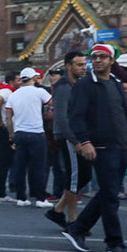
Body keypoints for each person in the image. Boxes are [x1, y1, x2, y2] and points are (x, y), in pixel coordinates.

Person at [60, 44, 127, 252]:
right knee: (110, 195)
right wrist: (84, 141)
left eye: (102, 57)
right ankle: (114, 243)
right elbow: (76, 116)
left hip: (119, 146)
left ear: (111, 61)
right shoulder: (85, 85)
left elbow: (121, 114)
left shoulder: (117, 84)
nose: (97, 60)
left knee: (108, 192)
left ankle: (77, 228)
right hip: (99, 146)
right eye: (94, 57)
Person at [45, 51, 89, 228]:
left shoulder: (76, 84)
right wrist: (75, 141)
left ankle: (59, 212)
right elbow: (62, 118)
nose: (83, 68)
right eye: (79, 65)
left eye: (84, 64)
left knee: (81, 177)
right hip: (69, 138)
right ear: (68, 66)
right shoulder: (64, 87)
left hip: (78, 136)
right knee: (76, 177)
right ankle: (70, 218)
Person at [4, 67, 53, 208]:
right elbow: (52, 103)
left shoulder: (14, 95)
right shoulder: (40, 92)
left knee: (20, 167)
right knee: (39, 167)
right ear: (33, 78)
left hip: (20, 134)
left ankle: (21, 197)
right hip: (37, 133)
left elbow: (8, 117)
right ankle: (40, 198)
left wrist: (11, 136)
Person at [0, 71, 21, 202]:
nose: (20, 82)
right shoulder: (7, 92)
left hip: (1, 129)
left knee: (2, 162)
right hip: (4, 130)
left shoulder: (2, 91)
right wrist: (0, 120)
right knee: (4, 162)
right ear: (11, 81)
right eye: (18, 80)